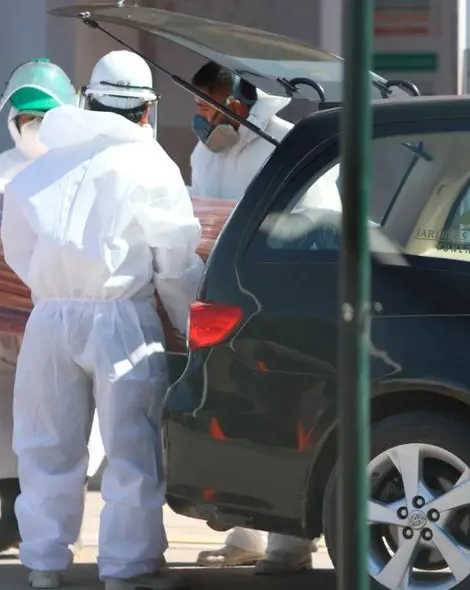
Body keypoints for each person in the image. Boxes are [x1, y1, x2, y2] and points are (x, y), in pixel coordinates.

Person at [1, 49, 201, 590]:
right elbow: (176, 261)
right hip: (119, 320)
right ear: (146, 111)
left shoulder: (47, 163)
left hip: (49, 318)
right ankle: (126, 568)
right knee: (130, 447)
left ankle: (43, 563)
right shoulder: (150, 163)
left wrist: (56, 289)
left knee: (46, 445)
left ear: (88, 100)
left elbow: (17, 247)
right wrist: (192, 326)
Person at [0, 58, 108, 556]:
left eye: (45, 117)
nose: (35, 127)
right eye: (27, 118)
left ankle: (51, 526)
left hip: (58, 314)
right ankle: (10, 512)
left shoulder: (84, 164)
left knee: (58, 418)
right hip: (2, 318)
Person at [187, 61, 321, 575]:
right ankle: (245, 534)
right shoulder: (206, 152)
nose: (202, 119)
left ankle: (290, 546)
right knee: (232, 415)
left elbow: (310, 219)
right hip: (223, 297)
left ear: (244, 102)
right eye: (196, 107)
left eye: (209, 106)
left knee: (280, 416)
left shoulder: (282, 143)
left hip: (275, 300)